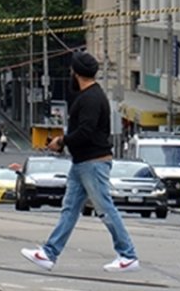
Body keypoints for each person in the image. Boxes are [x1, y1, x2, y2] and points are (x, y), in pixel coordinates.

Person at [20, 51, 139, 273]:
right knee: (70, 209)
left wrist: (62, 141)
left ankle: (128, 254)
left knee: (105, 208)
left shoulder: (91, 99)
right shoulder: (89, 96)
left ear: (76, 73)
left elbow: (86, 131)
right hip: (83, 162)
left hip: (93, 162)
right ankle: (49, 253)